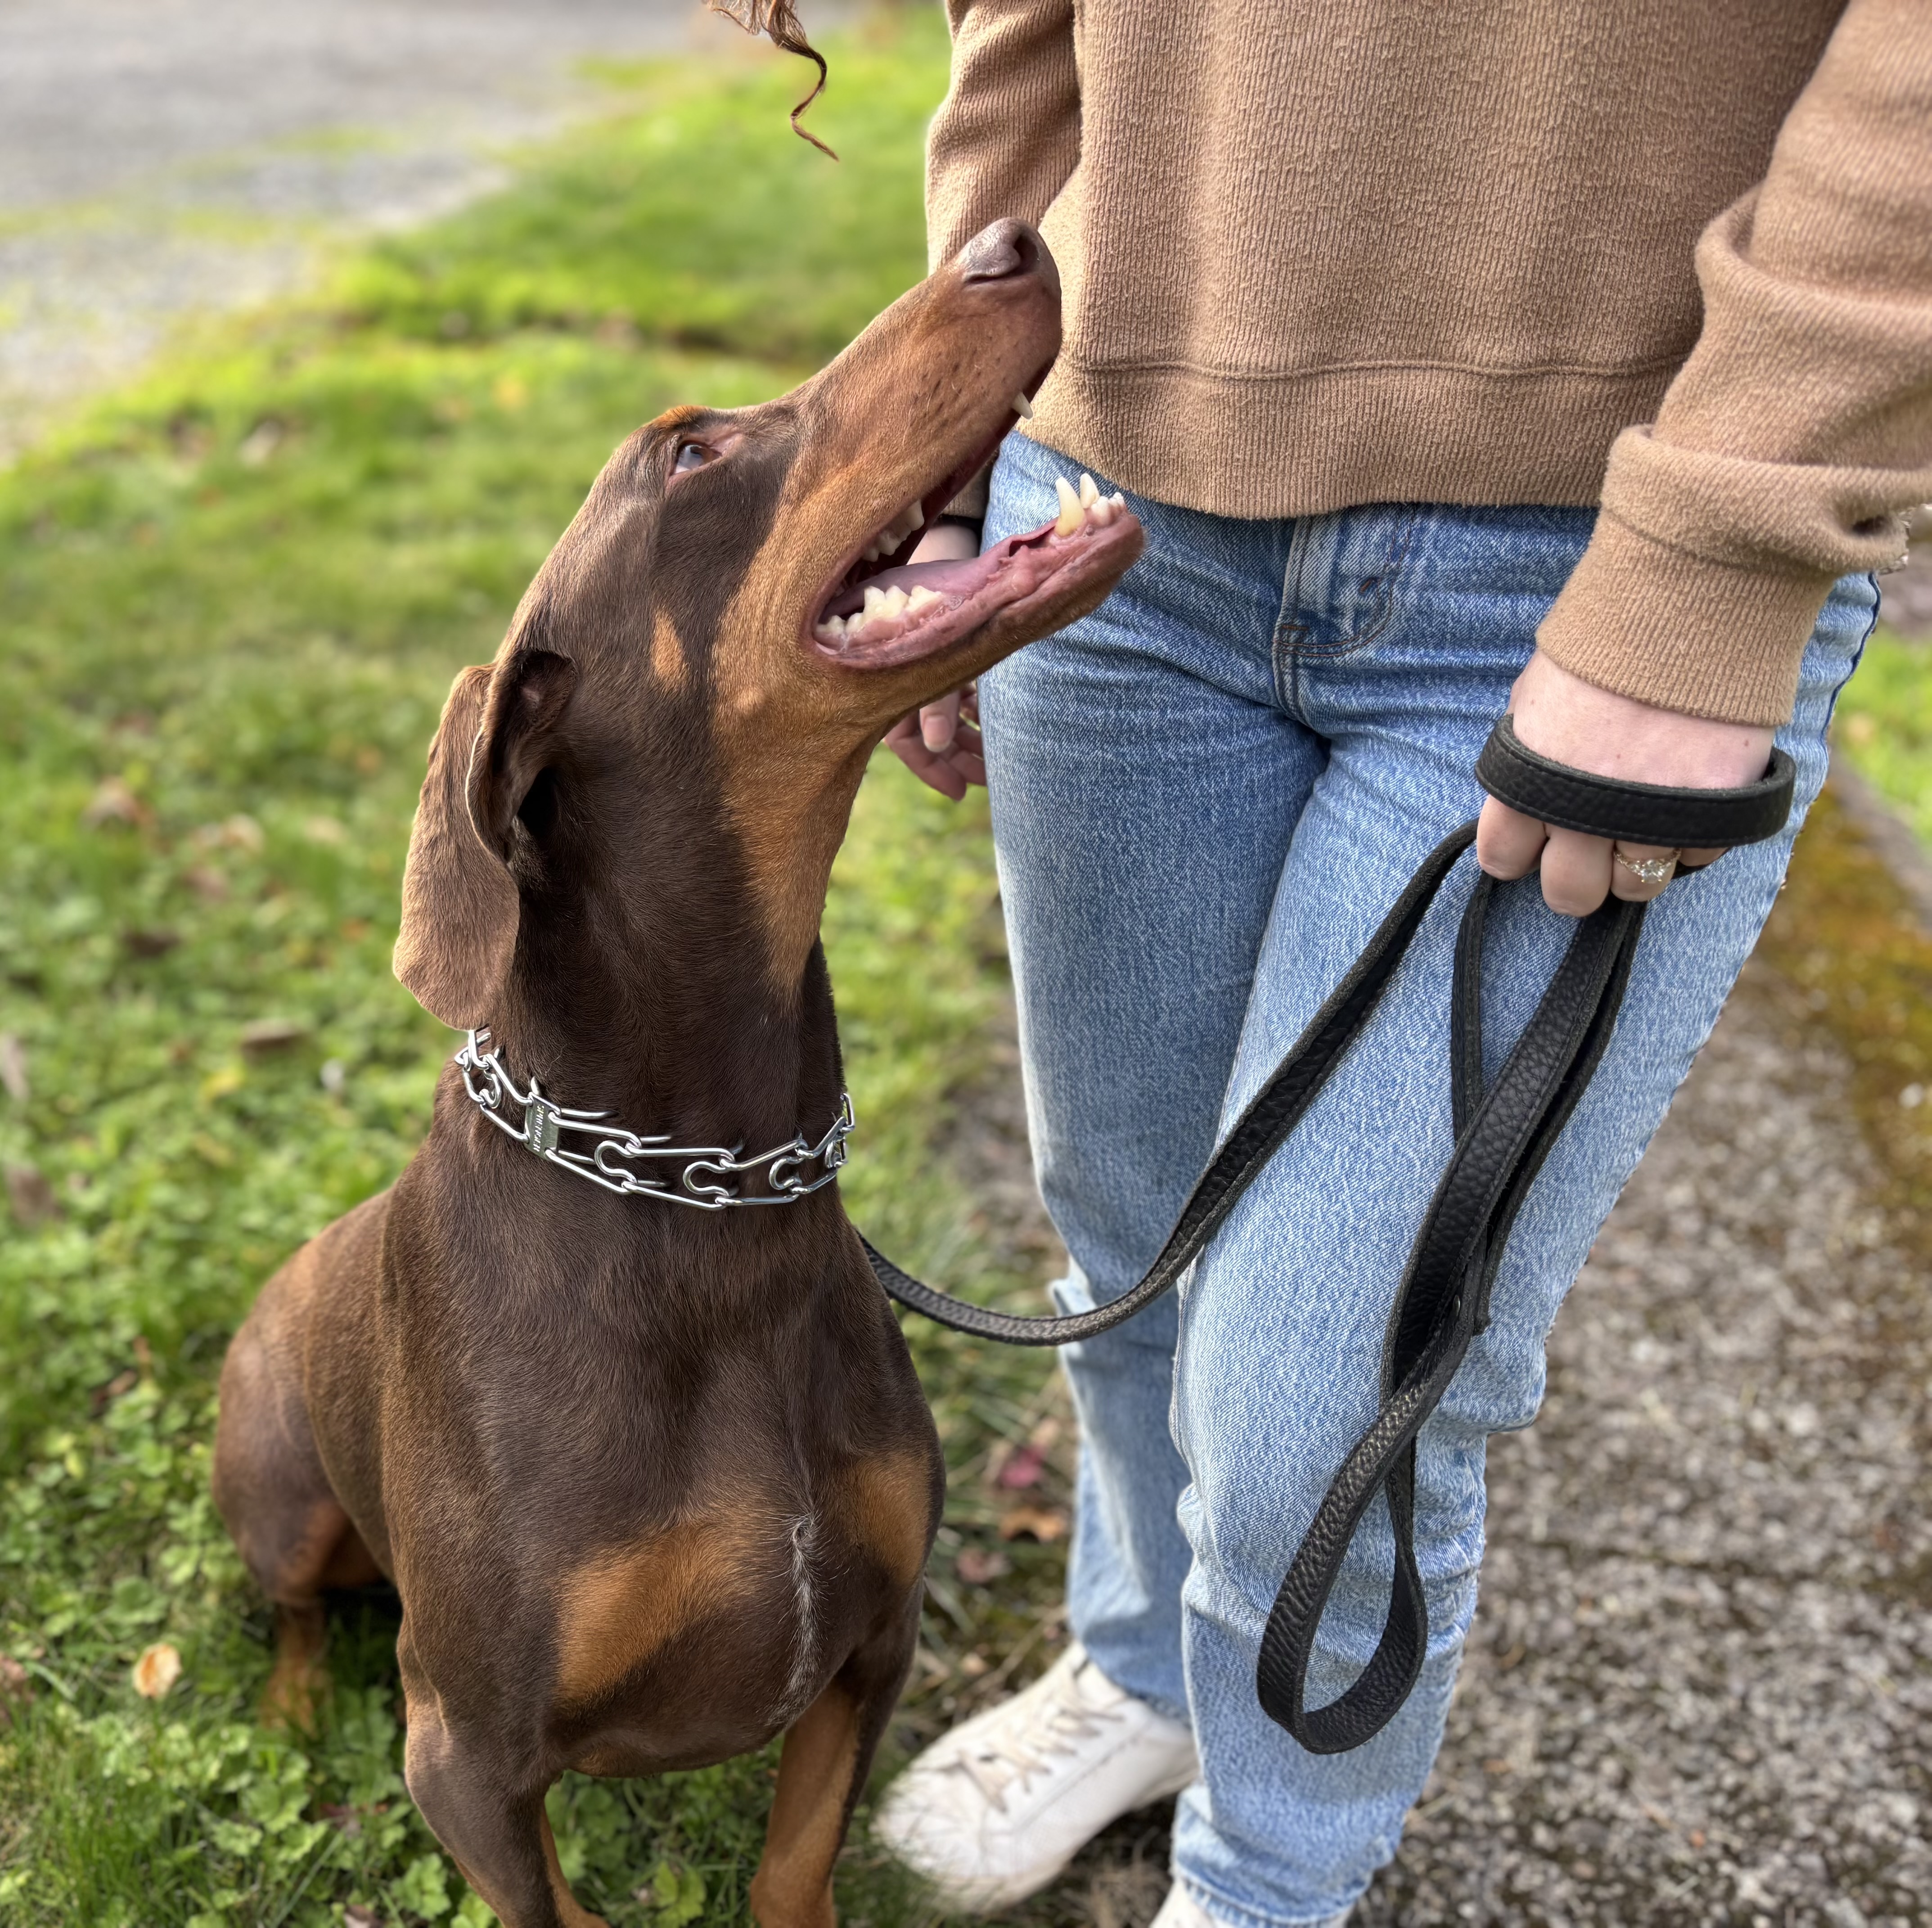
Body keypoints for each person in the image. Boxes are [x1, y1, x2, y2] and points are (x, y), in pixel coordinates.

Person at [866, 4, 1932, 1924]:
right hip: (1111, 500)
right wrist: (955, 408)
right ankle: (1138, 1664)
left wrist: (1720, 555)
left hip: (1586, 563)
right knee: (1130, 1235)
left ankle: (1272, 1879)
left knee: (1334, 1390)